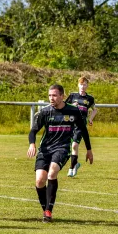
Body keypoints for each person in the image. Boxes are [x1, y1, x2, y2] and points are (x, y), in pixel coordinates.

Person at [27, 84, 93, 222]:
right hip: (45, 149)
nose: (52, 98)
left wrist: (89, 150)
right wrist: (32, 144)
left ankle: (48, 211)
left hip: (62, 148)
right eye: (50, 95)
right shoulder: (45, 112)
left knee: (52, 173)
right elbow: (33, 131)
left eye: (55, 95)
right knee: (39, 181)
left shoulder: (73, 111)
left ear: (62, 96)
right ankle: (45, 208)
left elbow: (84, 130)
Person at [65, 76, 97, 177]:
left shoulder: (89, 98)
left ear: (87, 86)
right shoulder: (72, 96)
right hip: (70, 124)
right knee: (70, 147)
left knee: (74, 145)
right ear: (78, 85)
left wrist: (90, 118)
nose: (82, 86)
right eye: (81, 84)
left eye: (84, 84)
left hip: (81, 125)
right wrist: (71, 106)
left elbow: (95, 109)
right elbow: (64, 106)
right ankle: (75, 164)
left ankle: (71, 169)